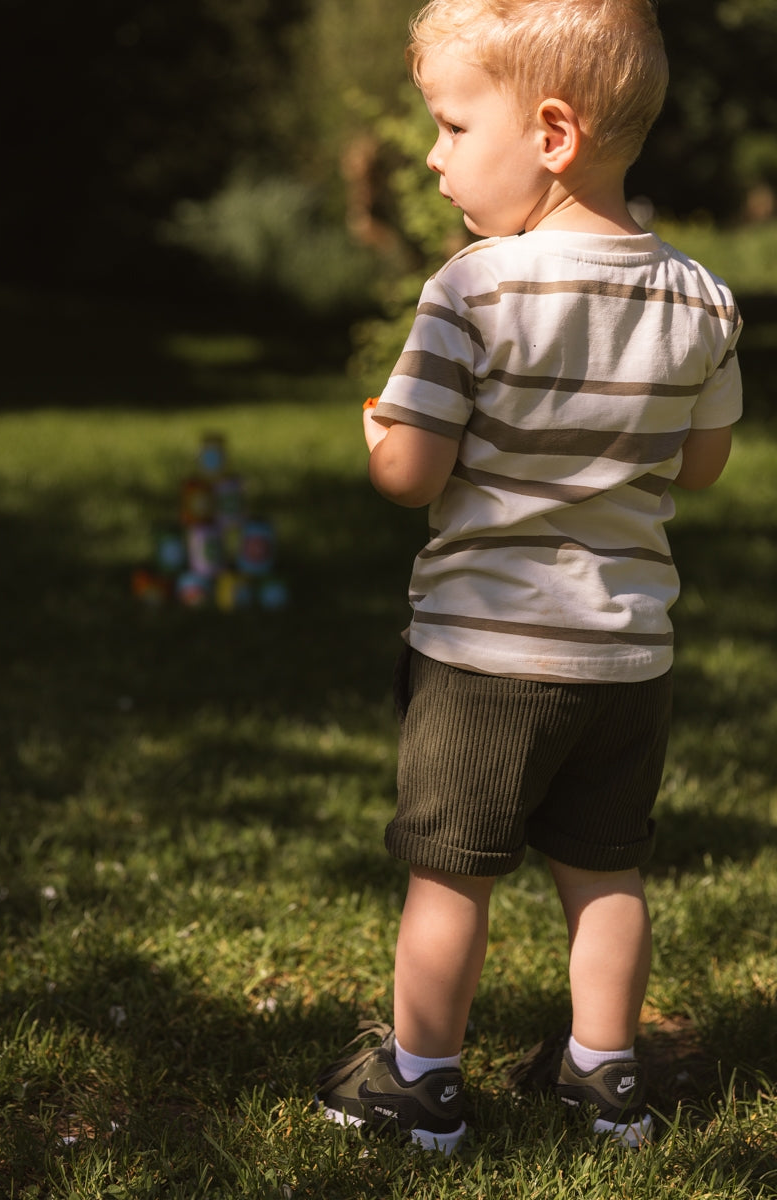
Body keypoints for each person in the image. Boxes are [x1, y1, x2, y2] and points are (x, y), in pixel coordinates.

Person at [315, 0, 742, 1155]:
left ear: (549, 132)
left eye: (451, 128)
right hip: (625, 653)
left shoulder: (473, 290)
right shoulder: (700, 298)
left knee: (449, 876)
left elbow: (409, 472)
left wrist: (376, 431)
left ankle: (419, 1082)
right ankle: (608, 1080)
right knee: (605, 871)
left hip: (482, 653)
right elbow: (699, 469)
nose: (432, 155)